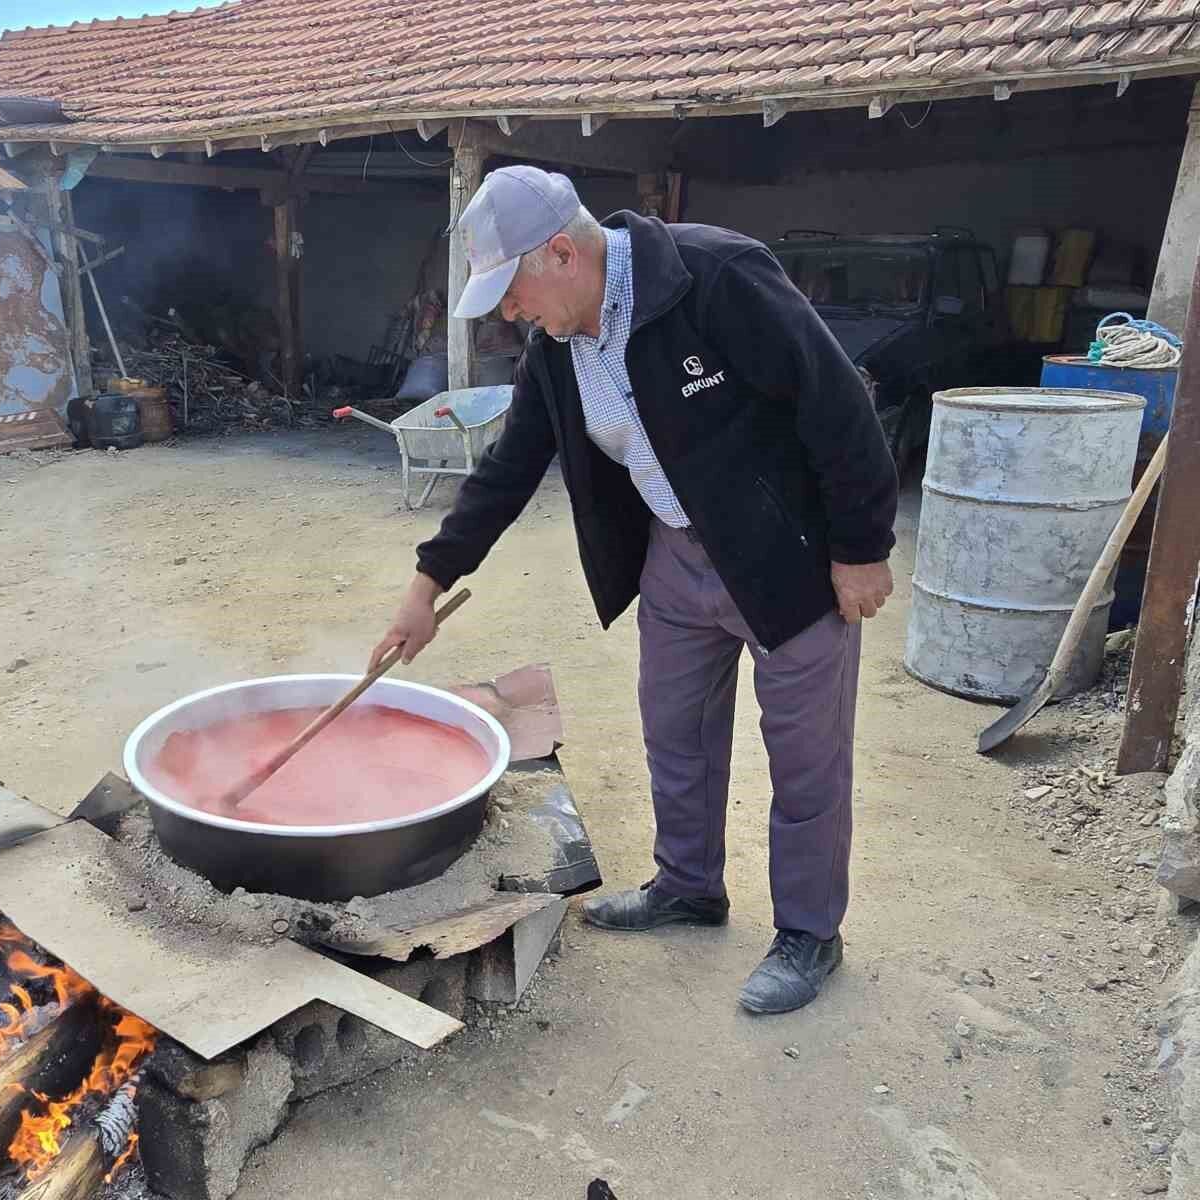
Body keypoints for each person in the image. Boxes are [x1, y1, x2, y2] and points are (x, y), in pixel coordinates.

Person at [369, 166, 898, 1014]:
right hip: (677, 559)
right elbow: (509, 467)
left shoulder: (716, 277)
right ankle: (688, 886)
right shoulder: (556, 348)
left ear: (562, 253)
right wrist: (427, 582)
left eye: (513, 292)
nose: (510, 314)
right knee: (675, 733)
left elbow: (838, 405)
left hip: (786, 559)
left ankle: (808, 932)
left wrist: (861, 549)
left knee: (807, 760)